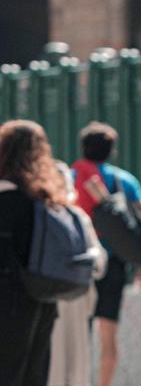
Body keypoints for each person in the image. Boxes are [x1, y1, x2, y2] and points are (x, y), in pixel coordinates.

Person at [70, 121, 141, 386]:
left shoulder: (71, 178)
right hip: (114, 262)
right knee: (108, 335)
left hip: (80, 262)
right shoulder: (124, 180)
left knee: (79, 334)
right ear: (111, 150)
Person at [0, 120, 67, 386]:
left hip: (7, 299)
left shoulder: (5, 198)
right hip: (43, 296)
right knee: (35, 374)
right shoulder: (48, 198)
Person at [48, 161, 108, 386]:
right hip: (52, 300)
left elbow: (99, 258)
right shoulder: (40, 215)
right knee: (54, 366)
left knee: (76, 365)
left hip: (76, 298)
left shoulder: (78, 217)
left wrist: (89, 260)